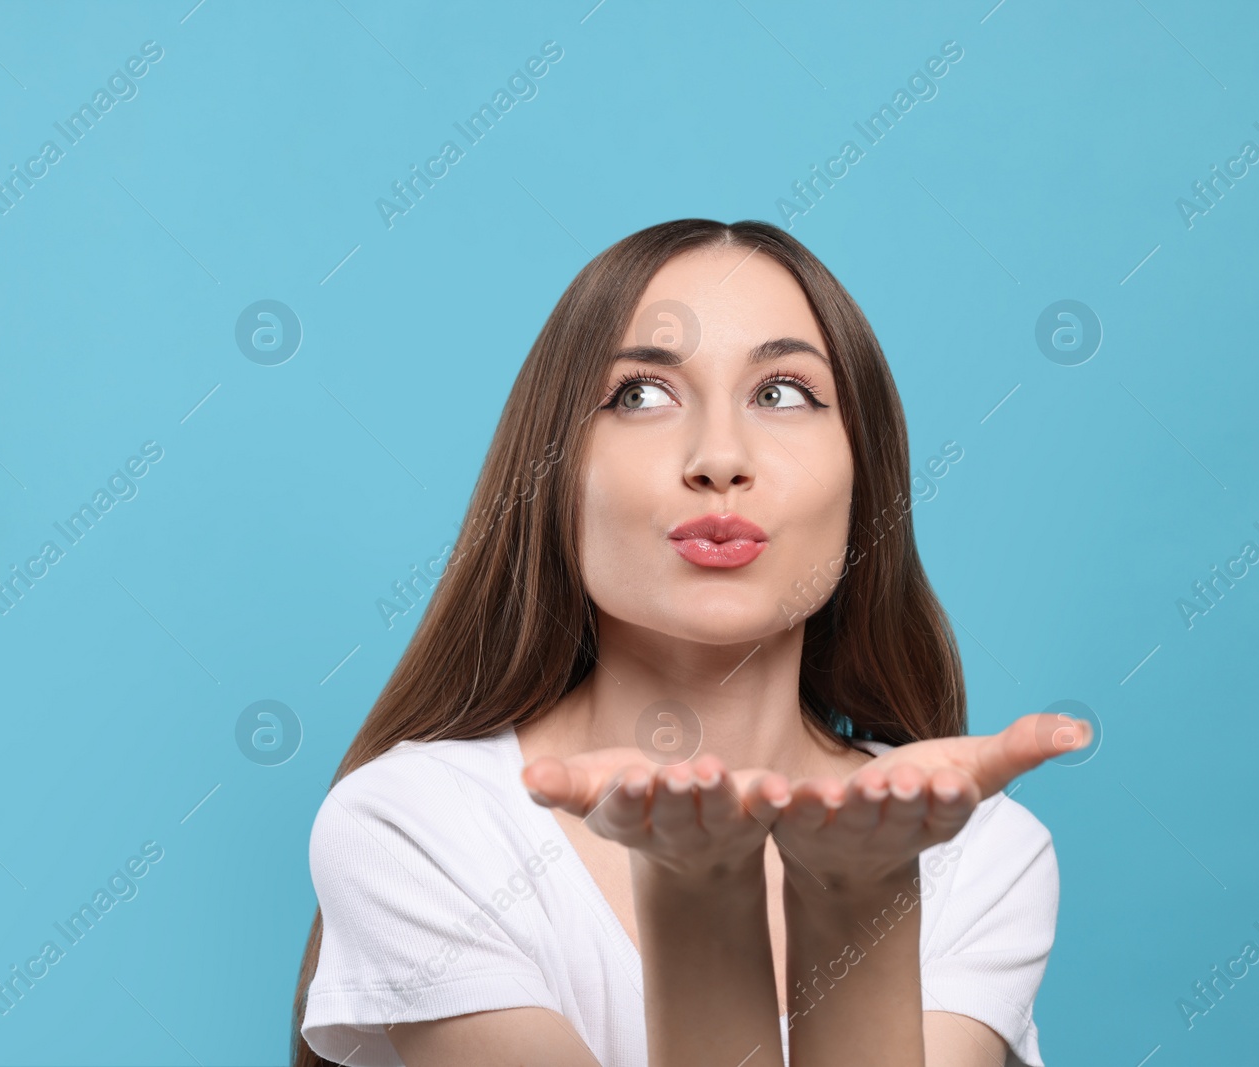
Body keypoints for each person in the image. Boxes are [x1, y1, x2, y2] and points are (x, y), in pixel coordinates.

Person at [290, 219, 1091, 1066]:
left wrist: (857, 894)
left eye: (783, 392)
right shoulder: (417, 827)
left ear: (868, 475)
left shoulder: (978, 850)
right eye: (640, 393)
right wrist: (701, 897)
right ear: (553, 472)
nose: (719, 459)